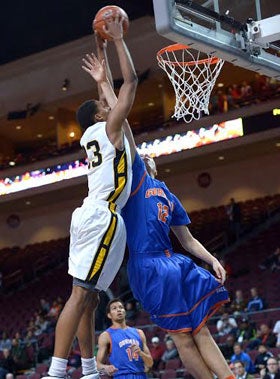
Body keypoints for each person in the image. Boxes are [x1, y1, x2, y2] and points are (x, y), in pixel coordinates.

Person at [85, 15, 235, 379]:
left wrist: (211, 258)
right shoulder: (133, 178)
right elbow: (125, 120)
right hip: (148, 266)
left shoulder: (166, 193)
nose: (147, 154)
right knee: (183, 338)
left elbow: (187, 238)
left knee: (200, 329)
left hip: (177, 262)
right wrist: (105, 83)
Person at [43, 16, 137, 379]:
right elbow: (129, 83)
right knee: (81, 295)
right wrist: (116, 41)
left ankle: (87, 369)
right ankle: (55, 372)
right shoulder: (111, 128)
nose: (106, 104)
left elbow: (109, 93)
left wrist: (99, 53)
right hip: (102, 217)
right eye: (103, 104)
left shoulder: (95, 133)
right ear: (101, 116)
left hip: (86, 214)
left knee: (90, 296)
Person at [96, 298, 153, 377]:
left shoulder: (139, 333)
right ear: (109, 315)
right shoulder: (106, 335)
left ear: (125, 311)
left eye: (121, 307)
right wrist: (106, 368)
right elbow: (98, 365)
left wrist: (141, 353)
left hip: (141, 375)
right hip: (121, 375)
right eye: (114, 308)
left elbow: (150, 363)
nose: (118, 310)